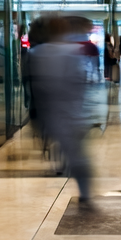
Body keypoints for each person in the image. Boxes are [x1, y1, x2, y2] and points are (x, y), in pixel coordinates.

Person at [29, 15, 94, 207]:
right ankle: (85, 193)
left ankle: (66, 169)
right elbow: (80, 83)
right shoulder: (73, 51)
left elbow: (35, 88)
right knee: (78, 155)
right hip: (73, 111)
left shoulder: (36, 53)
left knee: (66, 148)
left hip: (51, 113)